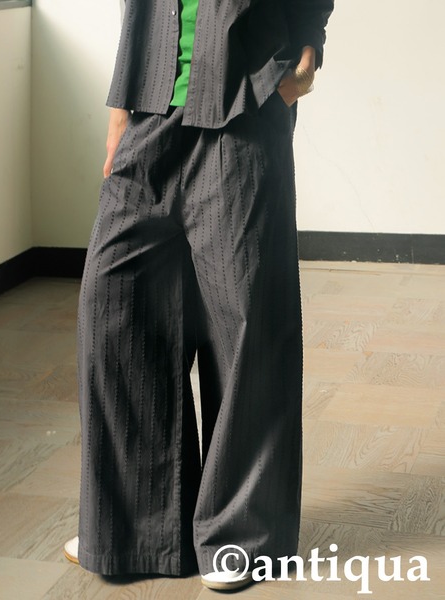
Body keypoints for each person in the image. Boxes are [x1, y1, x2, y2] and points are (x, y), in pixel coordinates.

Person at [64, 0, 334, 591]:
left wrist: (304, 58)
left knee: (245, 328)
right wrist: (120, 112)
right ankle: (134, 526)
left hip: (244, 105)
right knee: (114, 308)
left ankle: (242, 536)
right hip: (149, 106)